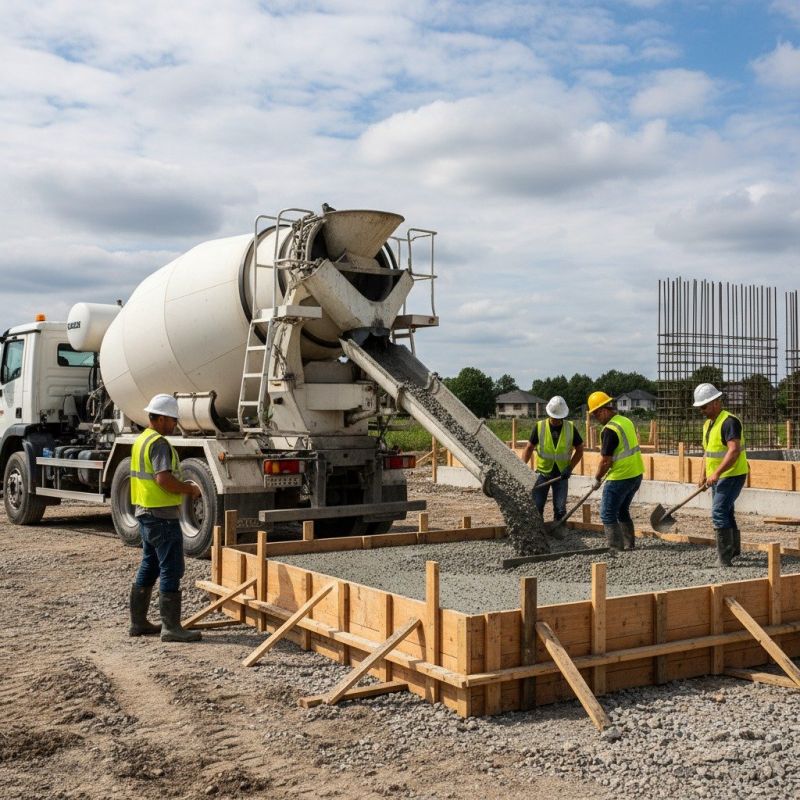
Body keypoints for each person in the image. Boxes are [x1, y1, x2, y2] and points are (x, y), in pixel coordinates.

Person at [128, 393, 203, 642]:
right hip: (161, 515)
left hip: (146, 512)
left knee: (149, 565)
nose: (174, 425)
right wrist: (189, 489)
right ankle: (171, 628)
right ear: (159, 418)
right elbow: (163, 479)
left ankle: (138, 623)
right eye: (171, 420)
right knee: (171, 568)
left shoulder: (142, 440)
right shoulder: (159, 443)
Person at [693, 383, 748, 567]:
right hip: (718, 476)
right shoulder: (708, 424)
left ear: (716, 403)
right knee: (726, 511)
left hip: (732, 475)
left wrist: (716, 473)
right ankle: (733, 550)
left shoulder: (729, 422)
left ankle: (724, 558)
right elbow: (708, 452)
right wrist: (702, 475)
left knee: (718, 512)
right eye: (700, 407)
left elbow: (734, 451)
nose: (701, 410)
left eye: (704, 406)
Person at [587, 391, 644, 552]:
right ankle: (628, 544)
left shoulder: (609, 430)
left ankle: (615, 547)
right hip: (636, 475)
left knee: (607, 514)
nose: (596, 418)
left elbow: (606, 460)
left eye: (596, 414)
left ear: (604, 409)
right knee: (622, 510)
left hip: (620, 477)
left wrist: (597, 478)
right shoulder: (625, 421)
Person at [521, 396, 584, 532]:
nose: (555, 420)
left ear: (563, 416)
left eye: (558, 418)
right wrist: (520, 467)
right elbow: (529, 448)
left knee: (560, 507)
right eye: (553, 417)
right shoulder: (540, 426)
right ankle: (537, 532)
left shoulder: (570, 428)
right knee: (537, 505)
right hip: (542, 473)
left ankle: (559, 530)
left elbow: (580, 450)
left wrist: (570, 467)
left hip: (562, 475)